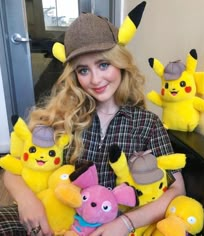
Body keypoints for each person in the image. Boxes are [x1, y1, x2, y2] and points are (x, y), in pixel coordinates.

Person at [0, 2, 185, 236]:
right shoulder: (62, 115)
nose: (95, 79)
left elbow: (177, 189)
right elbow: (12, 168)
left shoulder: (147, 124)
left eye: (103, 64)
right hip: (56, 220)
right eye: (83, 70)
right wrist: (28, 201)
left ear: (121, 64)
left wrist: (125, 223)